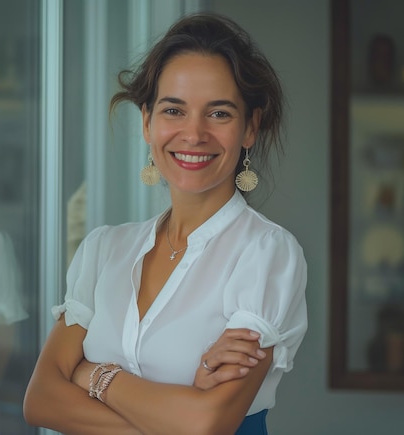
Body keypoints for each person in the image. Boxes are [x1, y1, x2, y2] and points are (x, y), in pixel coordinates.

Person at [23, 12, 307, 435]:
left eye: (220, 114)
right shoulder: (103, 251)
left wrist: (93, 375)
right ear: (146, 122)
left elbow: (208, 422)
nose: (193, 134)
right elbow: (40, 400)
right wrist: (174, 415)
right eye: (174, 109)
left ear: (250, 128)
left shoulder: (266, 253)